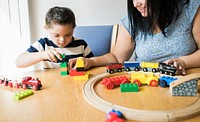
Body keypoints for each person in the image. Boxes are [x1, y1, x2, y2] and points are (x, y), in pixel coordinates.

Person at [69, 0, 200, 75]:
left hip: (188, 79)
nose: (136, 4)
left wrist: (183, 62)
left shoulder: (190, 9)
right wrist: (91, 61)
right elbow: (117, 57)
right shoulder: (132, 22)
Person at [15, 6, 94, 69]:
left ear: (73, 29)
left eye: (68, 34)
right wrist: (43, 55)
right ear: (47, 29)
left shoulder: (81, 44)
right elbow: (19, 62)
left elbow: (92, 62)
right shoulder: (44, 44)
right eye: (56, 35)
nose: (62, 40)